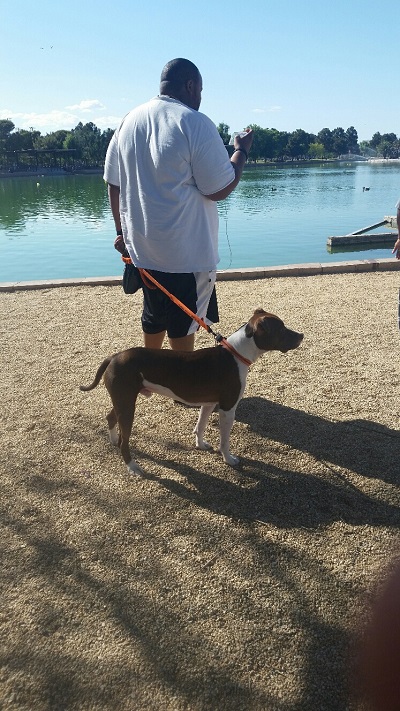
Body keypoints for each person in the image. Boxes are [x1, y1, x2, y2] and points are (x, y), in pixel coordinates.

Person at [104, 57, 253, 352]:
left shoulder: (129, 120)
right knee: (184, 321)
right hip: (186, 253)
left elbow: (114, 183)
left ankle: (149, 375)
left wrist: (121, 232)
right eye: (200, 90)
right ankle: (183, 388)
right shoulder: (194, 122)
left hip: (143, 248)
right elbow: (219, 188)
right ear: (190, 85)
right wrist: (240, 152)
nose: (199, 97)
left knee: (153, 314)